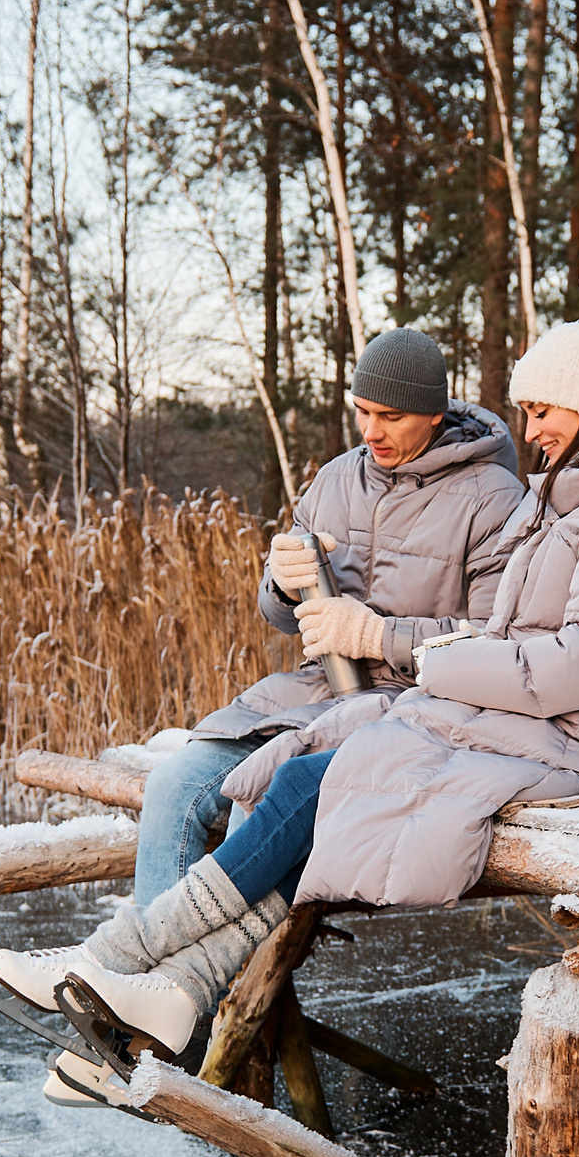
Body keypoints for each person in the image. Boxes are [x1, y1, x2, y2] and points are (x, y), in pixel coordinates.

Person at [0, 323, 579, 1108]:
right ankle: (158, 999)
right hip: (454, 707)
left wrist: (405, 649)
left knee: (308, 791)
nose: (531, 430)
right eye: (362, 412)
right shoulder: (563, 492)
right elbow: (514, 642)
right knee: (215, 787)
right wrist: (285, 581)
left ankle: (116, 965)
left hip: (538, 730)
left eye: (544, 412)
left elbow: (573, 656)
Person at [130, 326, 524, 910]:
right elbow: (281, 617)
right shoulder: (337, 477)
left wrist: (376, 635)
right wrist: (283, 586)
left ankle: (176, 978)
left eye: (390, 416)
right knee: (172, 787)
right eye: (362, 412)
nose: (371, 432)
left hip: (413, 712)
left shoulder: (493, 497)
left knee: (256, 806)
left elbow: (497, 644)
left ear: (434, 414)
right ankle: (141, 976)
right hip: (318, 691)